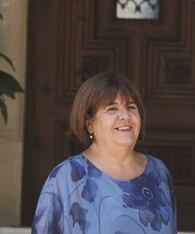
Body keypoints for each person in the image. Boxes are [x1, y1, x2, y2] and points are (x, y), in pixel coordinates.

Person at [32, 72, 177, 234]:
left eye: (131, 107)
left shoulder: (158, 172)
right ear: (89, 124)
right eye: (112, 108)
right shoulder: (67, 176)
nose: (125, 116)